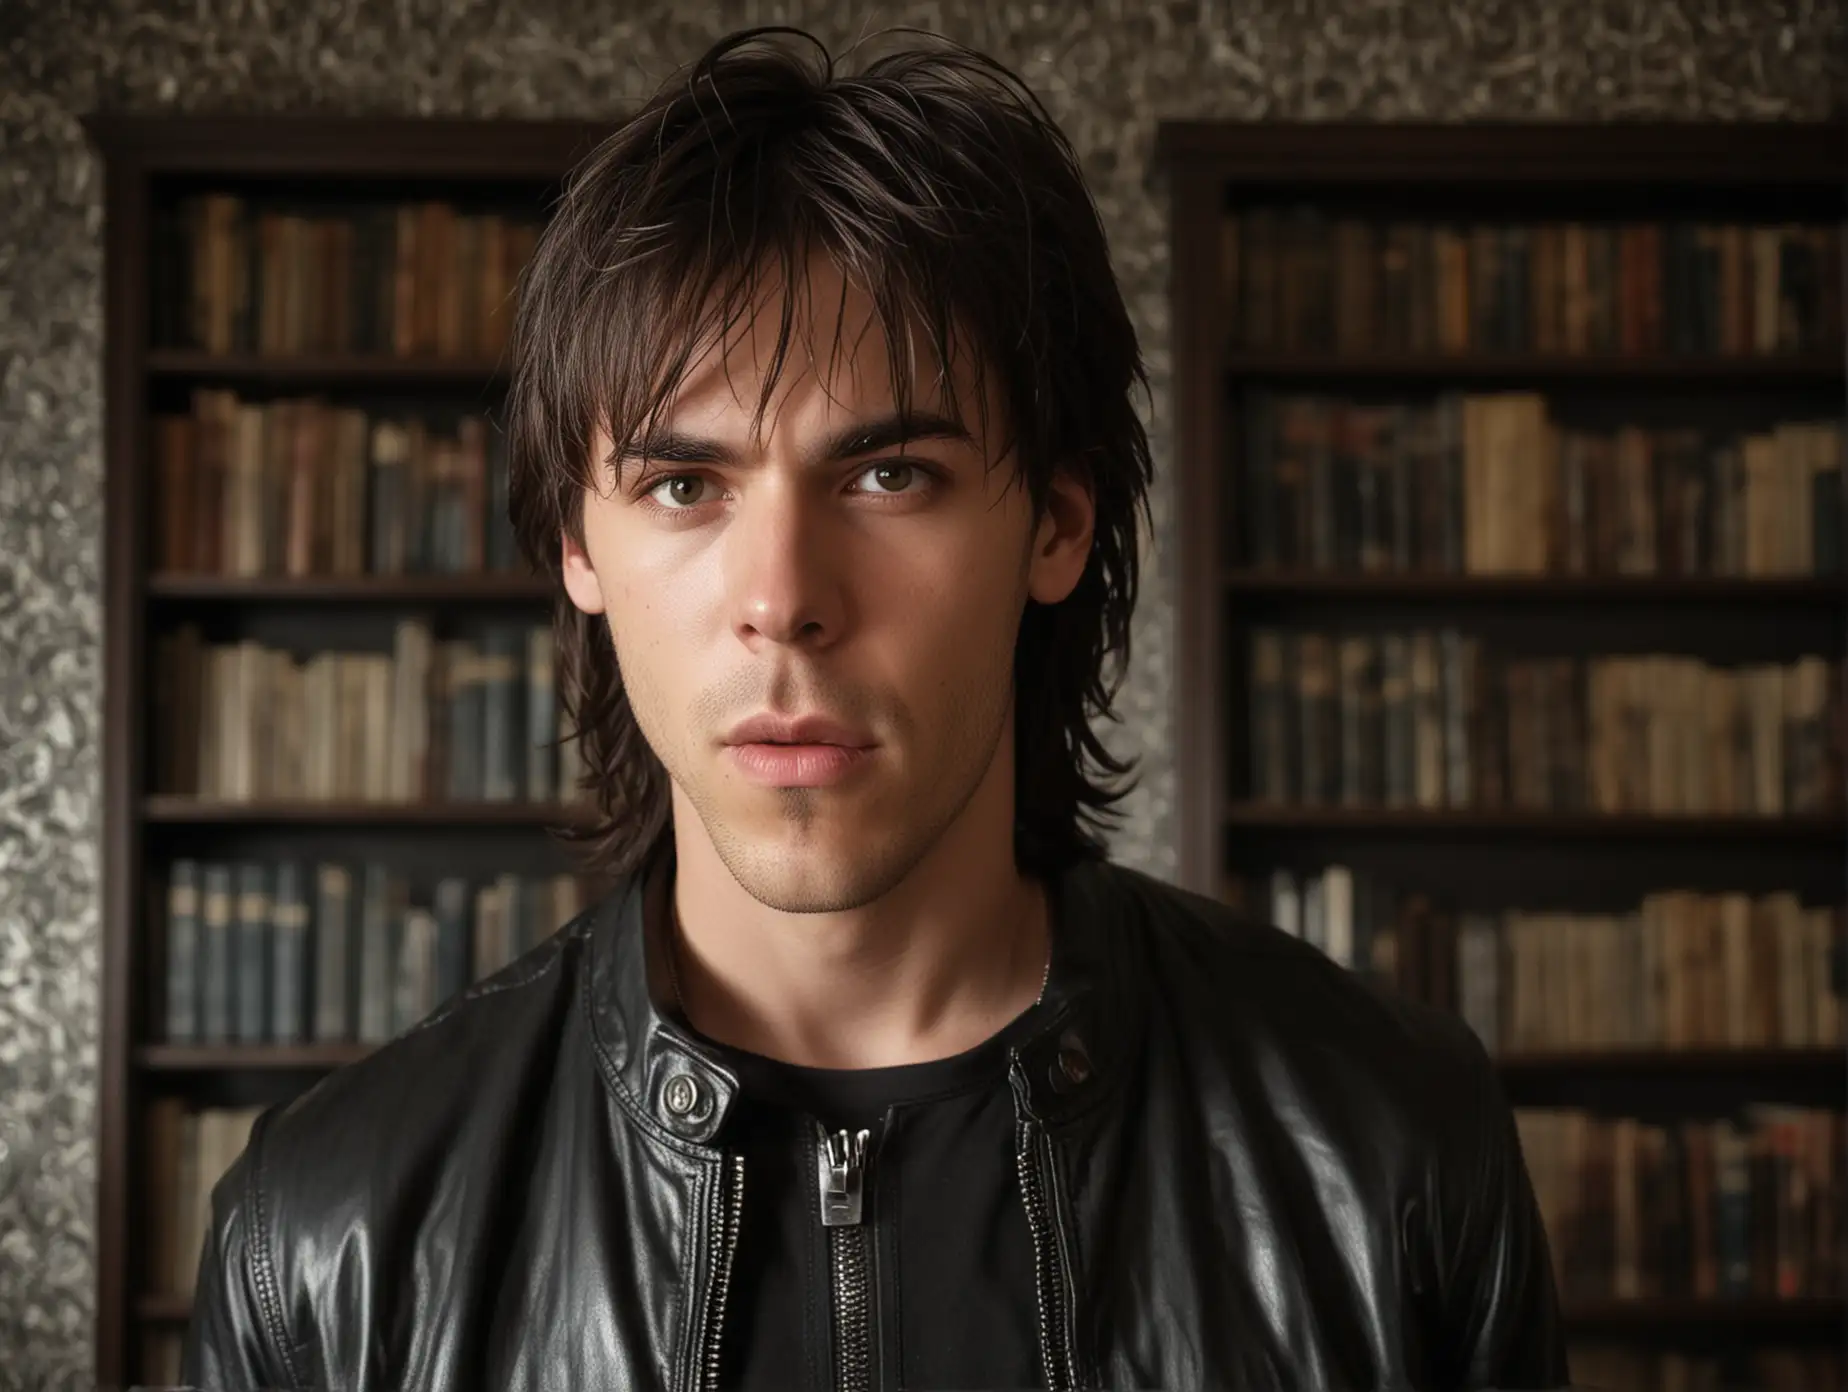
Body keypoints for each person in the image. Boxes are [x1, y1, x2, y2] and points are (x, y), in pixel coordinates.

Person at [184, 27, 1570, 1392]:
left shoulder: (1395, 1152)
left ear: (1056, 525)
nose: (782, 598)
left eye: (888, 476)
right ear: (578, 547)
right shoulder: (322, 1238)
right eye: (685, 485)